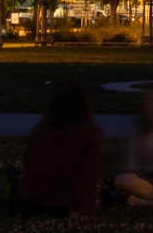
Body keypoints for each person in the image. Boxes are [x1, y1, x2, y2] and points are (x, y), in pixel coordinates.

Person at [11, 82, 103, 216]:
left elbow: (31, 167)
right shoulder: (90, 134)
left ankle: (15, 178)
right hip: (62, 208)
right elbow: (87, 175)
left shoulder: (40, 132)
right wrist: (80, 209)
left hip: (28, 204)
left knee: (17, 184)